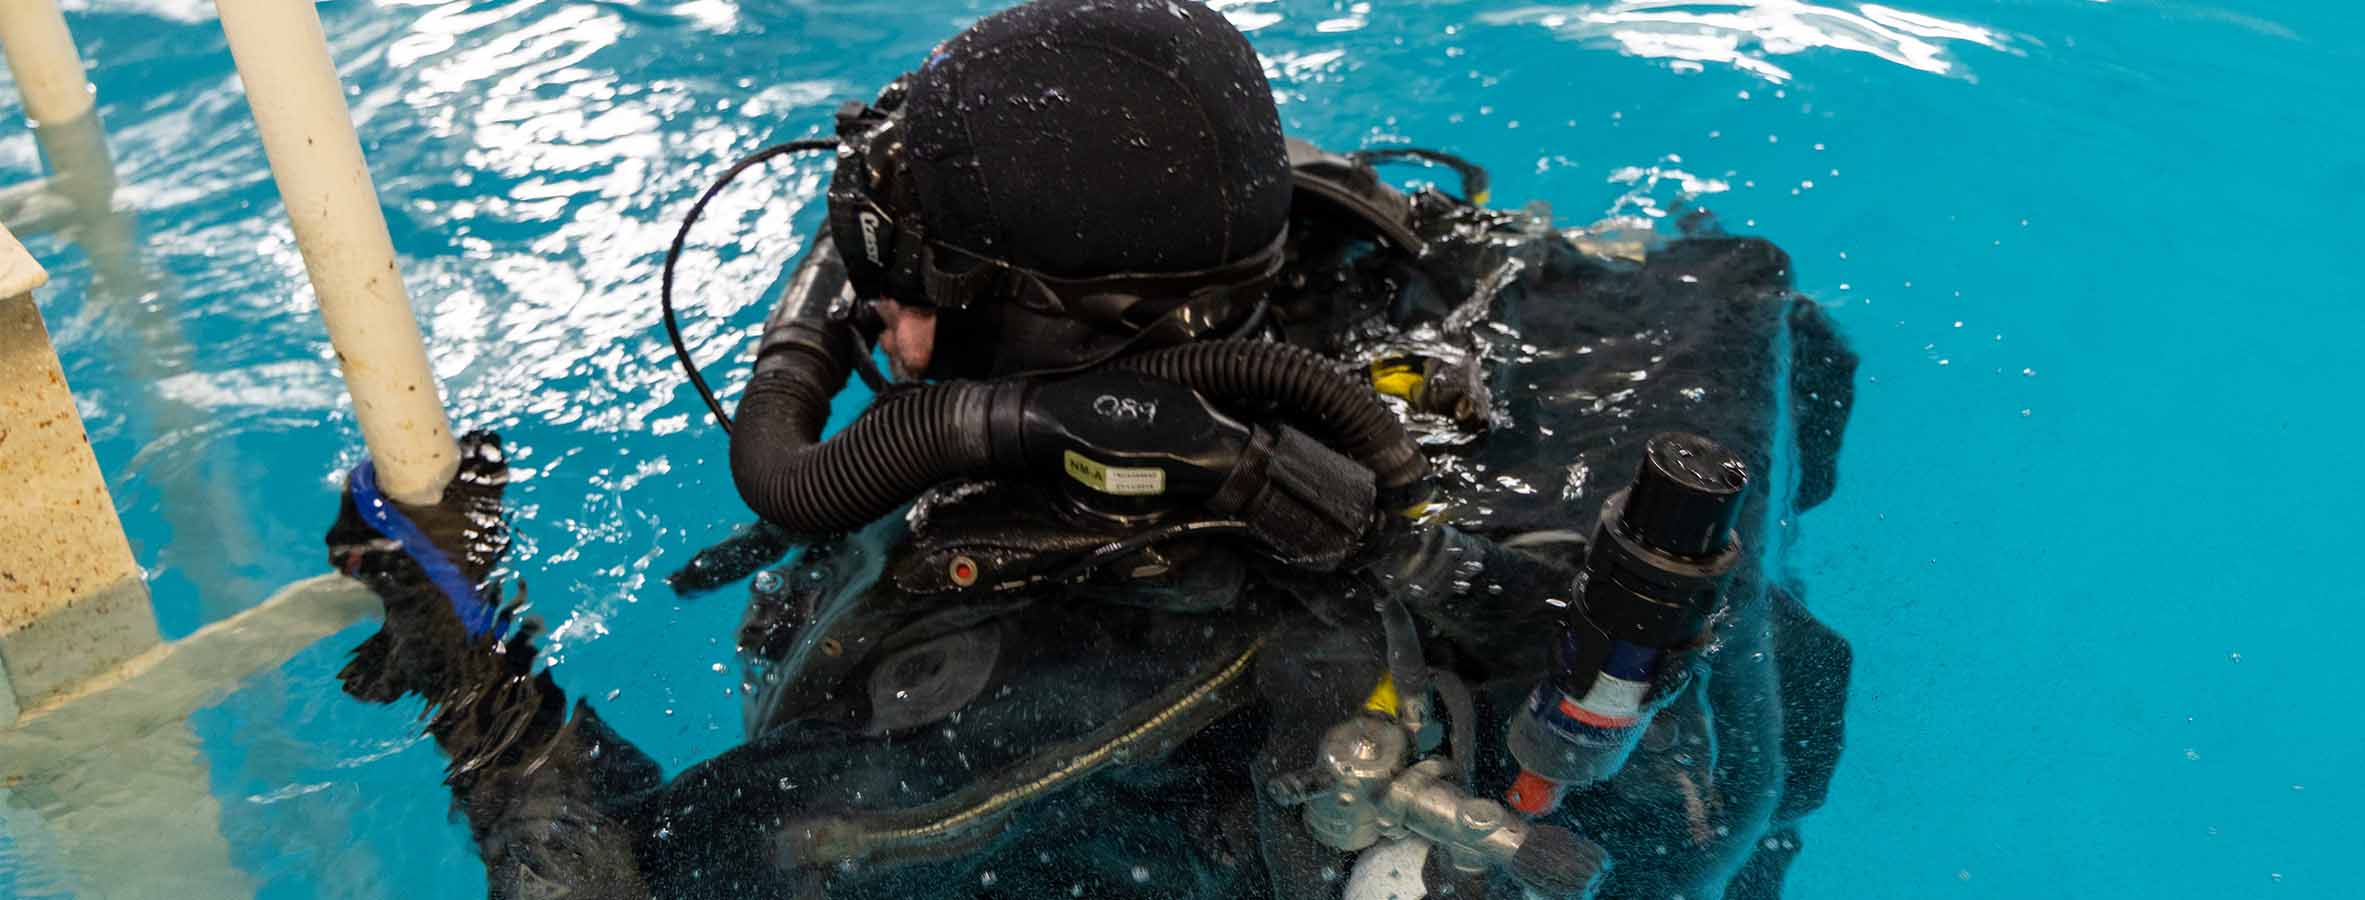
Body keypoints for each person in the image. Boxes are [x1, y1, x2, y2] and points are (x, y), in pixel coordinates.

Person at [327, 1, 1858, 898]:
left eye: (904, 273)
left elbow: (625, 886)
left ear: (1033, 345)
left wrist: (474, 659)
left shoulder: (1062, 683)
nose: (866, 305)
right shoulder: (1363, 278)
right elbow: (1806, 362)